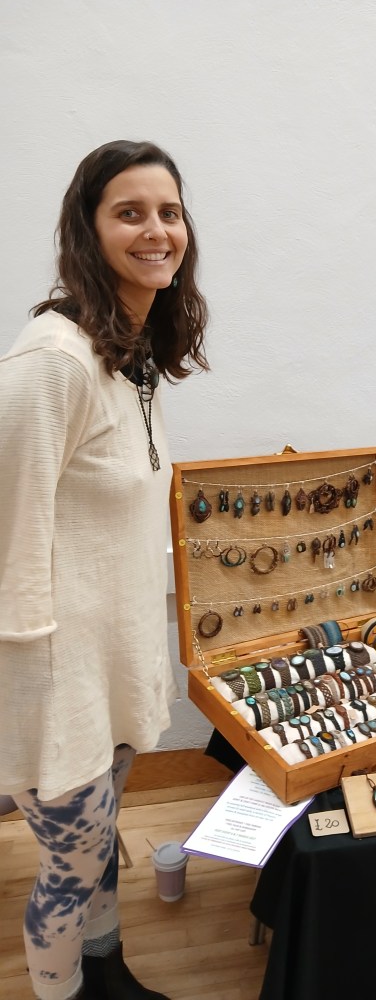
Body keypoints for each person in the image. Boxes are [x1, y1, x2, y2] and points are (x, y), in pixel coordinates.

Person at [0, 140, 209, 1000]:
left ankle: (106, 972)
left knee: (100, 841)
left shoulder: (129, 353)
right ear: (87, 231)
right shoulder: (53, 361)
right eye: (129, 213)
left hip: (108, 660)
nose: (156, 230)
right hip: (54, 678)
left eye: (169, 212)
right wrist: (30, 701)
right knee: (70, 865)